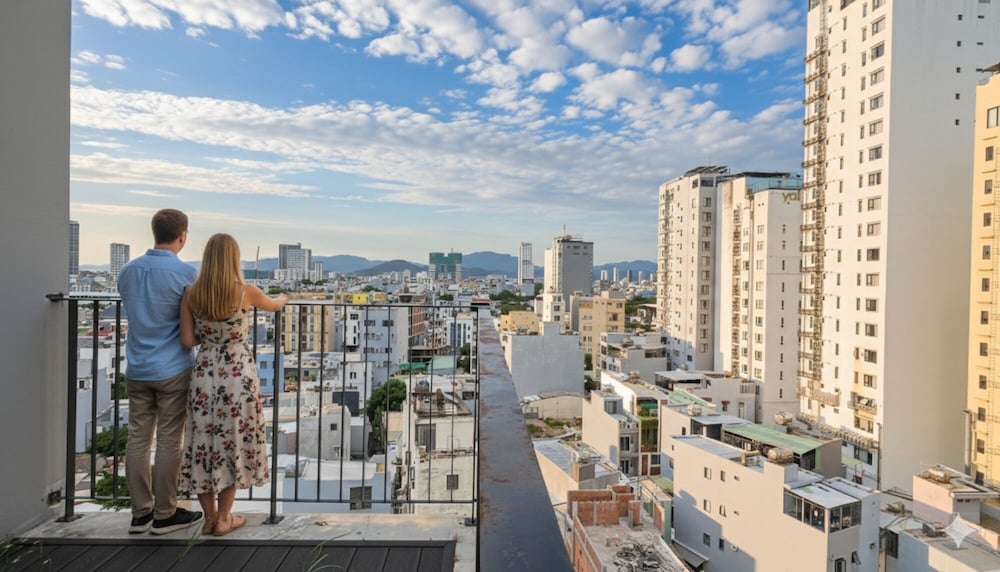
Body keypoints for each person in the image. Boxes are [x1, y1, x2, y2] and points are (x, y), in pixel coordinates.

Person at [180, 233, 288, 536]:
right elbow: (274, 305)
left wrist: (212, 338)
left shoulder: (192, 293)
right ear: (233, 259)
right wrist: (283, 298)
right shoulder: (245, 292)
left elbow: (187, 340)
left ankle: (210, 517)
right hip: (237, 375)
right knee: (232, 442)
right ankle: (225, 517)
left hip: (204, 372)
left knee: (202, 443)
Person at [118, 209, 204, 535]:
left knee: (138, 438)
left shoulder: (128, 271)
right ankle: (166, 513)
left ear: (154, 231)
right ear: (183, 235)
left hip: (137, 366)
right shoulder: (186, 275)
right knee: (170, 440)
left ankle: (140, 513)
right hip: (173, 367)